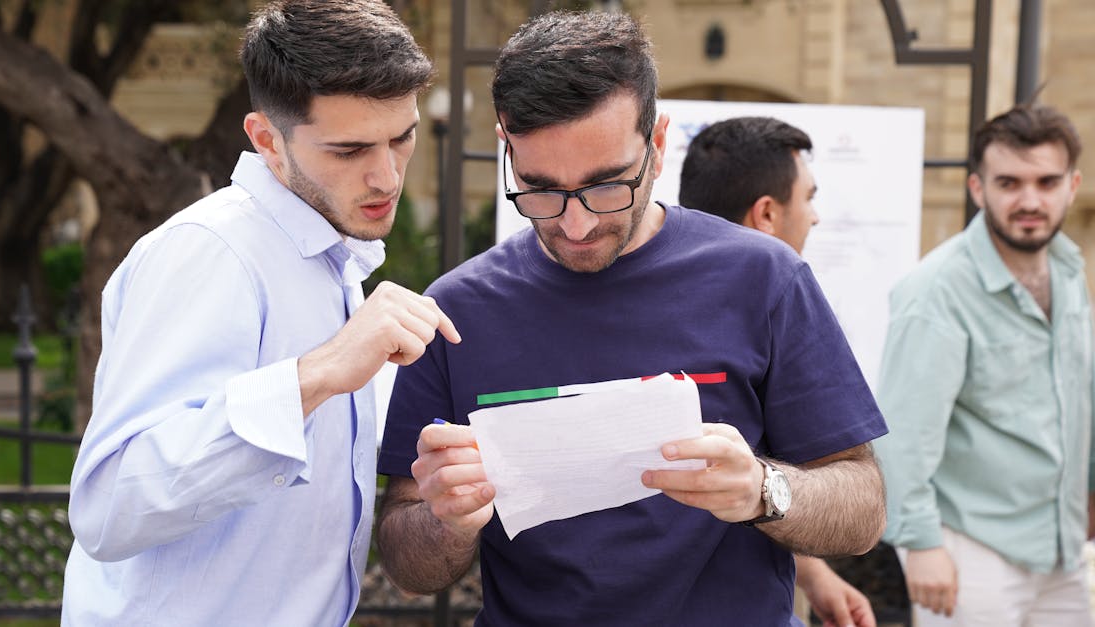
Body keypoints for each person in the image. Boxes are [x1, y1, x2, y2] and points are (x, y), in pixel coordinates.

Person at [375, 11, 887, 625]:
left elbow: (862, 507)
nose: (576, 223)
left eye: (607, 185)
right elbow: (406, 563)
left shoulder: (764, 280)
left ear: (659, 143)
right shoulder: (458, 308)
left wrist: (761, 490)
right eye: (540, 189)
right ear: (505, 144)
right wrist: (446, 520)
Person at [62, 2, 459, 625]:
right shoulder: (210, 253)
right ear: (266, 141)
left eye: (401, 137)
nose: (386, 175)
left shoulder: (329, 257)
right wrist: (319, 374)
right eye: (349, 149)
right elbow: (107, 509)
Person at [874, 103, 1090, 626]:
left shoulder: (1069, 271)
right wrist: (922, 544)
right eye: (1009, 183)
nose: (1030, 200)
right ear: (978, 189)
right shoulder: (937, 292)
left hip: (1060, 549)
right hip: (971, 551)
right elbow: (902, 437)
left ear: (1073, 185)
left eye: (1046, 181)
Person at [681, 115, 874, 627]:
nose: (814, 218)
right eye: (808, 198)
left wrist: (815, 576)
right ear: (766, 213)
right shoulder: (778, 293)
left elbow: (751, 481)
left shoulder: (769, 299)